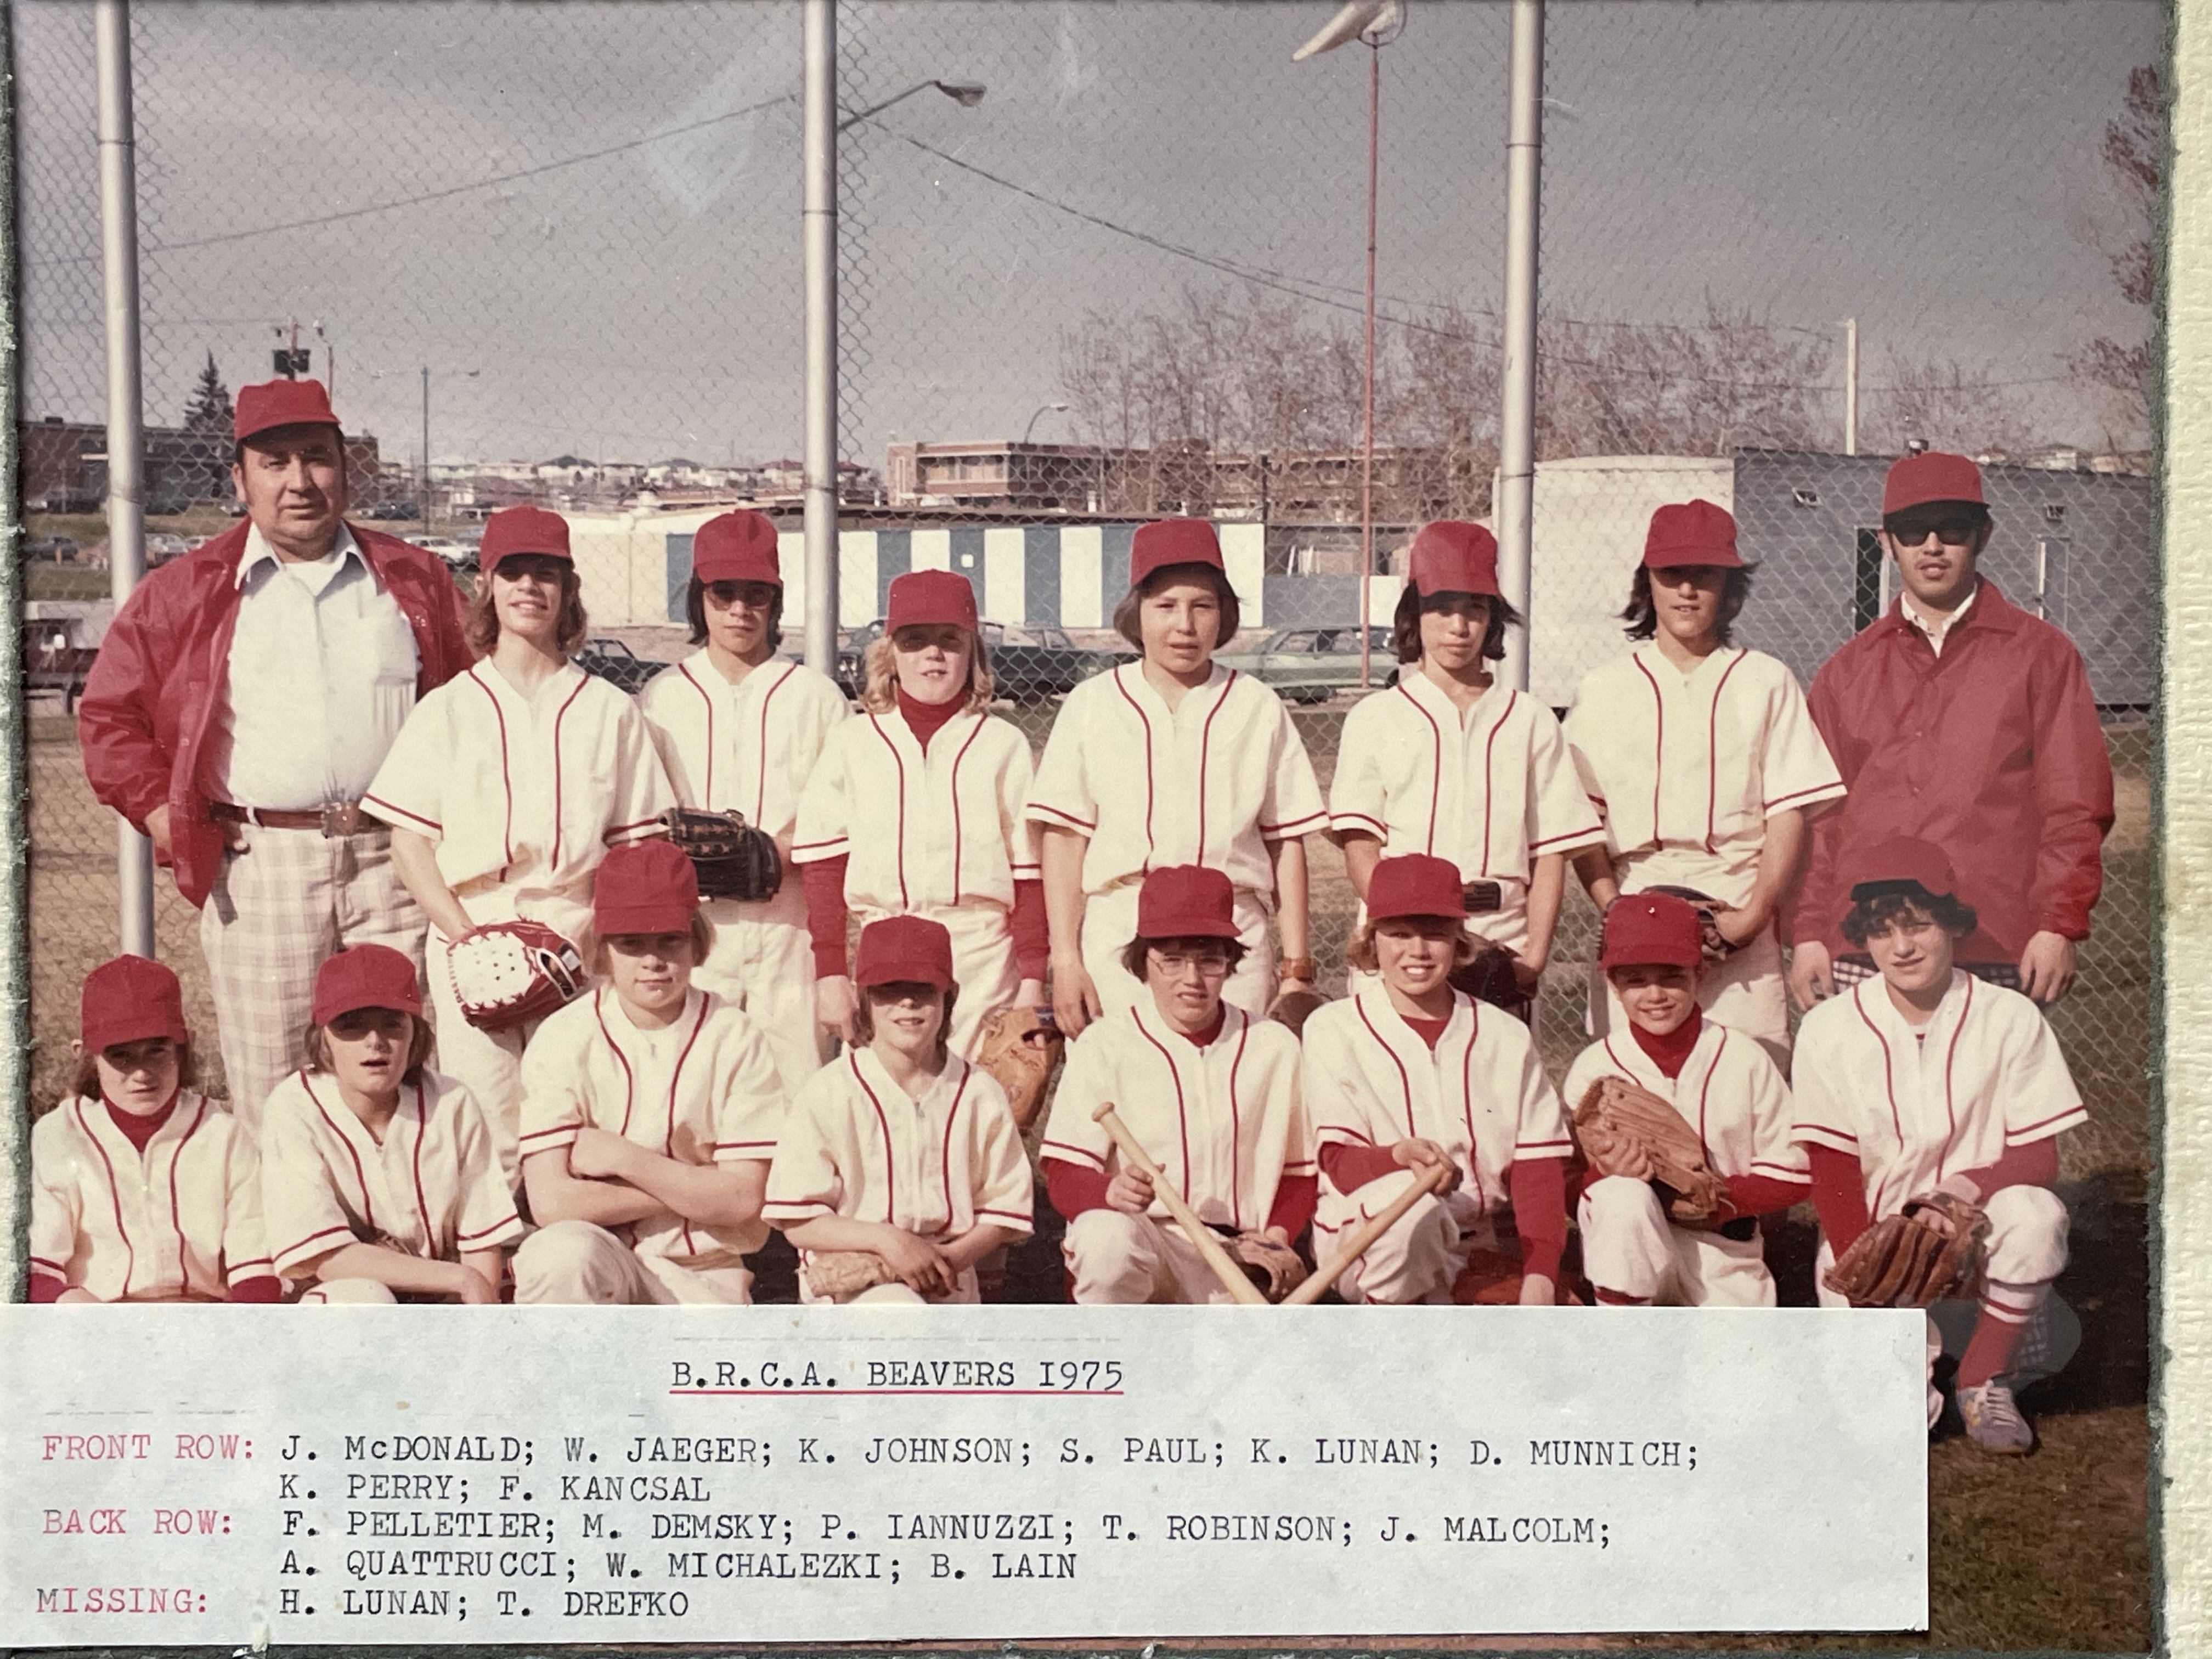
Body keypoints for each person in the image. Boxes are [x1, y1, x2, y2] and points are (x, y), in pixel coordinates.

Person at [78, 379, 472, 1133]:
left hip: (398, 859)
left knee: (409, 1072)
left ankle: (410, 1209)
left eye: (317, 458)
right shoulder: (187, 589)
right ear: (240, 479)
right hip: (263, 862)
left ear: (345, 471)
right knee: (273, 1086)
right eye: (274, 462)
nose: (299, 481)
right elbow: (109, 717)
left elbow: (472, 702)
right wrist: (162, 813)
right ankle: (285, 1214)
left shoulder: (413, 578)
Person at [363, 504, 673, 1184]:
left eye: (546, 573)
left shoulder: (608, 710)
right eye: (513, 572)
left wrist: (596, 941)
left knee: (587, 1114)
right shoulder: (449, 707)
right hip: (474, 925)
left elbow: (635, 854)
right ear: (487, 586)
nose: (529, 587)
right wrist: (466, 939)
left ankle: (583, 1241)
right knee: (489, 1121)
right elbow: (409, 844)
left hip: (577, 927)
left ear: (568, 591)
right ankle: (499, 1245)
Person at [1785, 451, 2115, 1010]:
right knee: (1868, 1073)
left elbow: (2074, 805)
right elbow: (1820, 821)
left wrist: (2057, 924)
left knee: (1988, 1073)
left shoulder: (2041, 656)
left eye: (1952, 528)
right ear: (1888, 542)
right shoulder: (1847, 672)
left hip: (1994, 939)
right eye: (1914, 530)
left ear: (1983, 534)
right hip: (1868, 942)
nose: (1932, 546)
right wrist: (1810, 932)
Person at [1792, 837, 2083, 1453]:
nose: (1901, 947)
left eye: (1918, 926)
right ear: (1864, 938)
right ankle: (1905, 1370)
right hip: (1877, 1234)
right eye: (1882, 931)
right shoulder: (1828, 1027)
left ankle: (1982, 1378)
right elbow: (1830, 1166)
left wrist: (1958, 1194)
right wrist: (1864, 1274)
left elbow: (2039, 1157)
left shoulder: (2009, 1016)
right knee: (1887, 1431)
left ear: (1952, 924)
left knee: (2037, 1214)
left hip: (1980, 1227)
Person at [1564, 499, 1844, 1068]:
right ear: (1648, 583)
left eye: (1705, 575)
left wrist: (1753, 916)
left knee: (1748, 1078)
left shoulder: (1765, 680)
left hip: (1735, 898)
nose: (1687, 590)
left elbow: (1787, 815)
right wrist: (1612, 907)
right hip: (1638, 893)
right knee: (1631, 1087)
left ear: (1730, 588)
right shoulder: (1605, 687)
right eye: (1672, 574)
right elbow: (1581, 824)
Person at [1027, 518, 1327, 1034]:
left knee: (1236, 1073)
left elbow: (1286, 843)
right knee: (1124, 1072)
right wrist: (1067, 960)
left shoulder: (1256, 705)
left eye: (1202, 606)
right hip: (1123, 924)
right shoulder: (1092, 704)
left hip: (1231, 931)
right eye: (1166, 606)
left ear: (1224, 613)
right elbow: (1065, 839)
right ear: (1136, 612)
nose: (1184, 625)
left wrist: (1297, 969)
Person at [1329, 521, 1604, 1019]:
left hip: (1502, 931)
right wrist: (1404, 931)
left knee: (1496, 1065)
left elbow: (1550, 852)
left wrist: (1535, 956)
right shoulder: (1376, 717)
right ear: (1414, 613)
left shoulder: (1529, 718)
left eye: (1475, 609)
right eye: (1442, 608)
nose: (1459, 627)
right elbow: (1361, 848)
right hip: (1406, 938)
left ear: (1493, 618)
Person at [511, 839, 787, 1305]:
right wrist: (698, 1184)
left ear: (695, 939)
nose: (653, 960)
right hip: (601, 1257)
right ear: (603, 946)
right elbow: (552, 1204)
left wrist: (625, 1161)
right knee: (557, 1256)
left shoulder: (736, 1035)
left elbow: (744, 1201)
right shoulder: (563, 1036)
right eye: (632, 943)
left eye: (669, 939)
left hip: (707, 1268)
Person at [792, 569, 1047, 1059]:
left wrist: (1033, 979)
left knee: (975, 1094)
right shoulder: (853, 742)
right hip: (885, 943)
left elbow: (1028, 872)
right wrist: (830, 972)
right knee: (880, 1097)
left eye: (950, 640)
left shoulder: (1003, 745)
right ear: (890, 655)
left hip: (979, 947)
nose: (933, 654)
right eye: (915, 641)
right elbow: (824, 866)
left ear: (973, 653)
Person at [638, 510, 849, 1092]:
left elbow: (840, 814)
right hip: (697, 923)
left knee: (798, 1085)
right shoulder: (663, 695)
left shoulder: (816, 697)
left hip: (789, 923)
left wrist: (776, 852)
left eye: (756, 594)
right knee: (695, 1087)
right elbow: (646, 813)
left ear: (775, 602)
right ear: (699, 598)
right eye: (723, 593)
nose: (739, 609)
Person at [1038, 865, 1314, 1305]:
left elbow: (1301, 1173)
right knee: (1105, 1239)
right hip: (1146, 1239)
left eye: (1209, 960)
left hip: (1241, 1251)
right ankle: (1113, 1346)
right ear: (1143, 963)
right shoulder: (1104, 1044)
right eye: (1172, 960)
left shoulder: (1274, 1046)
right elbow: (1063, 1172)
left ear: (1231, 962)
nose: (1192, 979)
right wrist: (1107, 1191)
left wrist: (1278, 1235)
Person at [1301, 855, 1570, 1306]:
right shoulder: (1333, 1028)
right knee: (1414, 1208)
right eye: (1399, 934)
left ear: (1459, 940)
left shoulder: (1505, 1034)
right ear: (1372, 939)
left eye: (1435, 933)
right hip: (1365, 1234)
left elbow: (1537, 1168)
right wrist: (1397, 1157)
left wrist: (1540, 1275)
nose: (1418, 951)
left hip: (1477, 1240)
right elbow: (1340, 1165)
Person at [765, 916, 1034, 1304]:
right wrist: (890, 1242)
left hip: (948, 1279)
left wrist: (952, 1259)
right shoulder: (829, 1091)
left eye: (923, 989)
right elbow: (798, 1220)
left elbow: (1005, 1210)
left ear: (950, 995)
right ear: (863, 998)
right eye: (890, 990)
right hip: (852, 1282)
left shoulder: (979, 1092)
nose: (908, 1002)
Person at [1562, 893, 1809, 1308]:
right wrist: (1602, 1174)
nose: (1655, 994)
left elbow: (1797, 1169)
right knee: (1621, 1198)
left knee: (1737, 1351)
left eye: (1671, 977)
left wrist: (1721, 1201)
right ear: (1613, 985)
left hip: (1725, 1250)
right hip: (1632, 1246)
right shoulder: (1595, 1066)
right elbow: (1565, 1184)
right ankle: (1622, 1334)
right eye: (1636, 980)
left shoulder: (1743, 1058)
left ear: (1700, 973)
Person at [259, 944, 521, 1305]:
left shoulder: (453, 1102)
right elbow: (322, 1256)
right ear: (323, 1039)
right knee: (363, 1297)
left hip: (444, 1296)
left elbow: (482, 1240)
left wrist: (476, 1319)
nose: (375, 1042)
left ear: (416, 1034)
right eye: (351, 1026)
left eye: (392, 1025)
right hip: (343, 1294)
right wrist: (461, 1277)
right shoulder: (293, 1106)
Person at [29, 955, 278, 1304]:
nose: (142, 1073)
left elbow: (256, 1270)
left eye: (156, 1051)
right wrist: (74, 1309)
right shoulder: (58, 1134)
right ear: (85, 1055)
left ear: (184, 1046)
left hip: (201, 1315)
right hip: (94, 1315)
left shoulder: (223, 1133)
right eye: (121, 1055)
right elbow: (36, 1270)